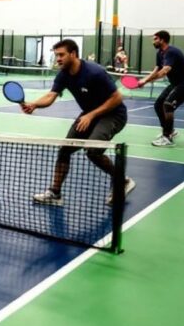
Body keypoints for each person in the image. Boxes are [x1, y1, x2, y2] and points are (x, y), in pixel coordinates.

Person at [20, 39, 134, 206]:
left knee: (93, 151)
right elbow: (52, 95)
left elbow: (117, 97)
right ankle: (55, 193)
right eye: (56, 55)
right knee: (64, 150)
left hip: (113, 115)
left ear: (73, 54)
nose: (58, 58)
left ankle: (121, 180)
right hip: (89, 115)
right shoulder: (63, 74)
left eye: (61, 55)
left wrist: (91, 115)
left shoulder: (94, 72)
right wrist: (34, 104)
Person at [137, 30, 184, 147]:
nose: (153, 41)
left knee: (168, 105)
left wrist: (146, 81)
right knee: (158, 104)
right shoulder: (160, 53)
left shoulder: (171, 52)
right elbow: (157, 70)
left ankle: (167, 138)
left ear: (162, 40)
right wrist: (145, 79)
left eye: (155, 39)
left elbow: (164, 71)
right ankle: (169, 131)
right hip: (175, 83)